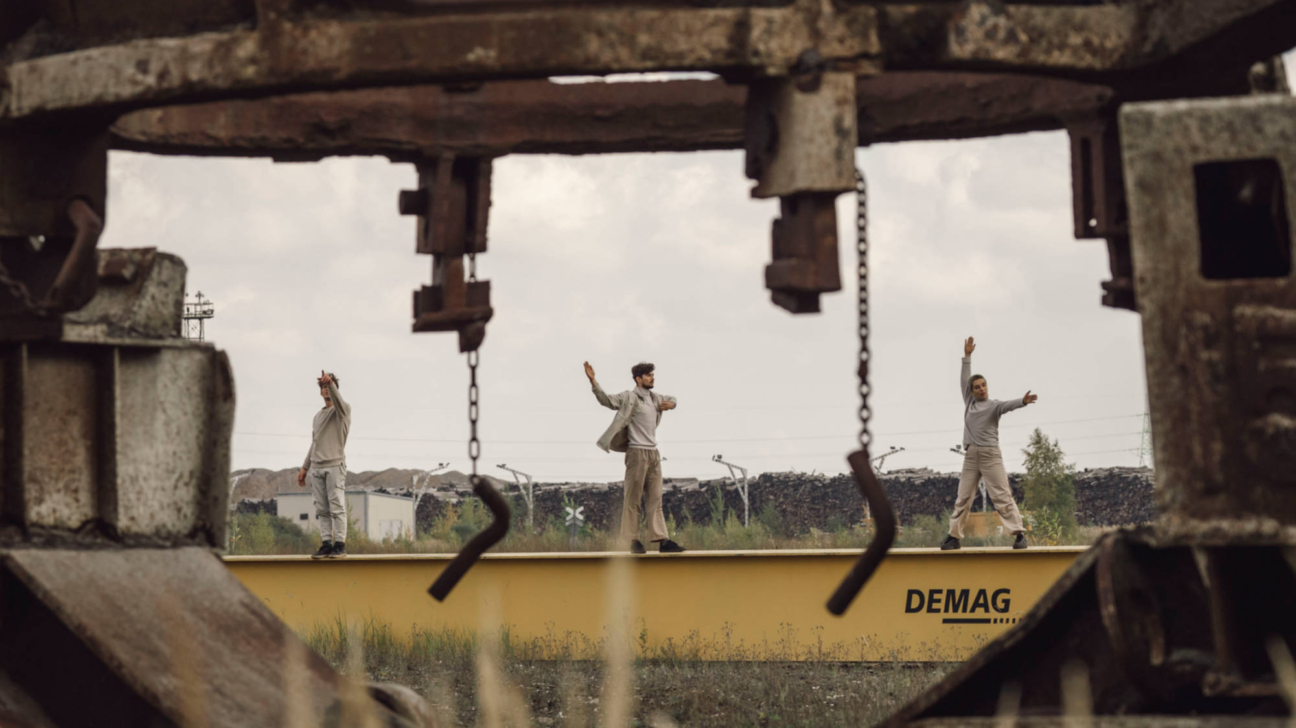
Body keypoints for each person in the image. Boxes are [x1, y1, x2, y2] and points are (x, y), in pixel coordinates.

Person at [942, 337, 1038, 551]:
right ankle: (953, 537)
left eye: (984, 385)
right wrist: (967, 357)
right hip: (970, 456)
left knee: (1001, 494)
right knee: (963, 496)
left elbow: (1007, 406)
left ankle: (1019, 535)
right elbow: (964, 378)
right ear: (972, 391)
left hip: (990, 455)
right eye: (977, 387)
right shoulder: (969, 403)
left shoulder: (993, 406)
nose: (981, 389)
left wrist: (1022, 402)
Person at [584, 361, 686, 554]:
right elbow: (607, 400)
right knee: (633, 499)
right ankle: (633, 540)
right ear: (639, 379)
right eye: (648, 375)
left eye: (652, 375)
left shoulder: (655, 398)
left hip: (653, 453)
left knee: (656, 498)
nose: (652, 378)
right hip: (636, 452)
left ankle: (662, 540)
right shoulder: (629, 397)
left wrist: (672, 404)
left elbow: (672, 398)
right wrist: (594, 382)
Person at [298, 371, 351, 559]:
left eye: (329, 387)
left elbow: (339, 401)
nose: (326, 391)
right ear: (320, 392)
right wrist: (305, 467)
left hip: (335, 465)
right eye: (323, 388)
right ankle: (327, 543)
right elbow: (315, 442)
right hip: (317, 466)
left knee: (337, 506)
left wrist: (331, 385)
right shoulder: (317, 417)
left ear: (334, 389)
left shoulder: (342, 411)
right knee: (322, 508)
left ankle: (340, 544)